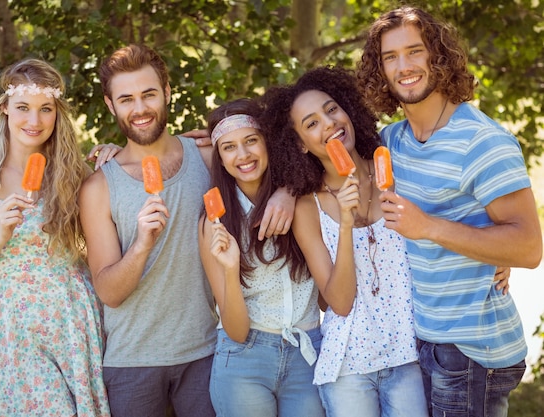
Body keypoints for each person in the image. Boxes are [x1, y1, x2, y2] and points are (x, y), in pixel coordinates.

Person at [78, 44, 295, 417]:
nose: (140, 108)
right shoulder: (99, 187)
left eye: (149, 94)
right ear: (111, 106)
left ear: (167, 92)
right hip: (132, 363)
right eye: (126, 99)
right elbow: (109, 292)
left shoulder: (208, 156)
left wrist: (288, 192)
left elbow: (282, 159)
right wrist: (142, 244)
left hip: (208, 352)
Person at [356, 6, 542, 416]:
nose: (404, 66)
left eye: (415, 51)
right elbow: (320, 158)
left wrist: (430, 227)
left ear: (437, 56)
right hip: (426, 342)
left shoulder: (482, 142)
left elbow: (528, 247)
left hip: (474, 351)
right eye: (390, 57)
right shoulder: (392, 142)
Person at [260, 65, 428, 417]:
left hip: (409, 355)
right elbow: (338, 302)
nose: (330, 123)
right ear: (300, 146)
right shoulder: (308, 207)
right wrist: (347, 222)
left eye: (331, 109)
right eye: (312, 123)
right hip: (348, 366)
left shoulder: (393, 166)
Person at [0, 58, 111, 416]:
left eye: (45, 109)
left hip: (69, 319)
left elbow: (109, 232)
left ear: (57, 113)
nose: (34, 121)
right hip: (8, 328)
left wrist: (115, 162)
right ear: (4, 108)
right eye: (23, 107)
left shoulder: (73, 172)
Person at [198, 98, 324, 417]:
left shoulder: (305, 198)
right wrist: (229, 269)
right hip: (244, 359)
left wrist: (291, 190)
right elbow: (236, 331)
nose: (243, 155)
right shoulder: (214, 226)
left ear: (268, 142)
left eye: (251, 141)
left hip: (306, 354)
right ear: (220, 159)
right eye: (228, 147)